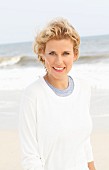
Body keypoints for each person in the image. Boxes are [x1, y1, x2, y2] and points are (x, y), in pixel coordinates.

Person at [19, 18, 96, 170]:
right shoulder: (32, 95)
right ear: (42, 54)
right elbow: (30, 157)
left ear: (75, 54)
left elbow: (84, 141)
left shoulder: (84, 88)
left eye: (65, 53)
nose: (59, 61)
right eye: (52, 53)